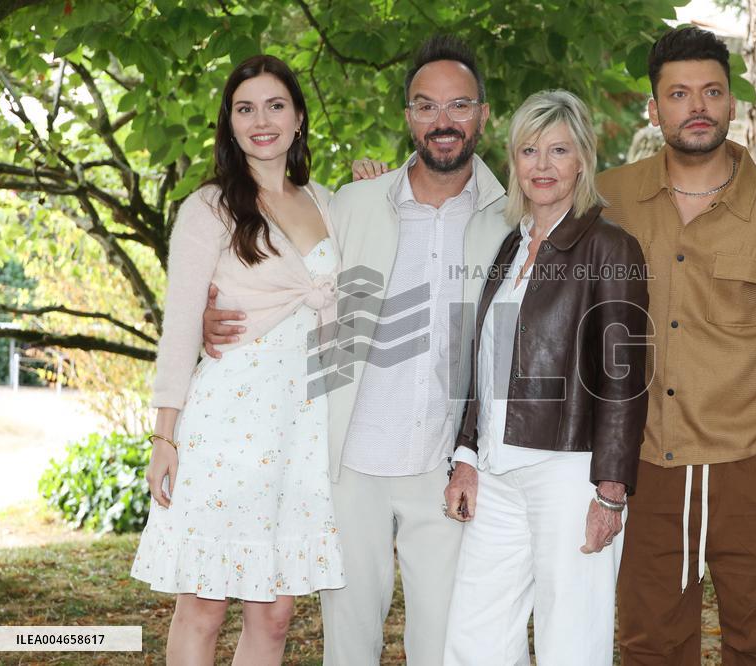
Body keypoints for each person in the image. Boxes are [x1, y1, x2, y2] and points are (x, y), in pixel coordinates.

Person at [202, 36, 511, 665]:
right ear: (408, 118)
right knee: (349, 644)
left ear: (482, 114)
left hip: (445, 464)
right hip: (347, 462)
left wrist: (474, 451)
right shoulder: (353, 203)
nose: (442, 120)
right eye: (426, 106)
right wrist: (215, 316)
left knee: (442, 641)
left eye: (458, 106)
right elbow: (288, 284)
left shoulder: (512, 218)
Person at [596, 27, 756, 665]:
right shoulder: (608, 199)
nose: (698, 106)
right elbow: (524, 218)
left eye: (712, 91)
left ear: (733, 101)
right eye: (679, 94)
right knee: (650, 647)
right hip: (647, 469)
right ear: (654, 110)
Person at [130, 55, 345, 665]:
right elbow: (178, 327)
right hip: (228, 423)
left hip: (302, 429)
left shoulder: (332, 204)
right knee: (205, 602)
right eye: (245, 108)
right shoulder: (208, 208)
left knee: (276, 616)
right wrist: (164, 436)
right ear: (229, 123)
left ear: (299, 118)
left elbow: (368, 296)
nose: (261, 120)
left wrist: (374, 178)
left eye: (275, 105)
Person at [441, 89, 649, 665]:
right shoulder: (510, 247)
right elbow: (485, 362)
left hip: (570, 472)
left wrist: (611, 491)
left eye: (558, 150)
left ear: (582, 158)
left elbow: (625, 381)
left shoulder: (611, 247)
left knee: (571, 640)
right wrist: (466, 453)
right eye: (529, 150)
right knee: (474, 638)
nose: (542, 165)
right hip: (498, 470)